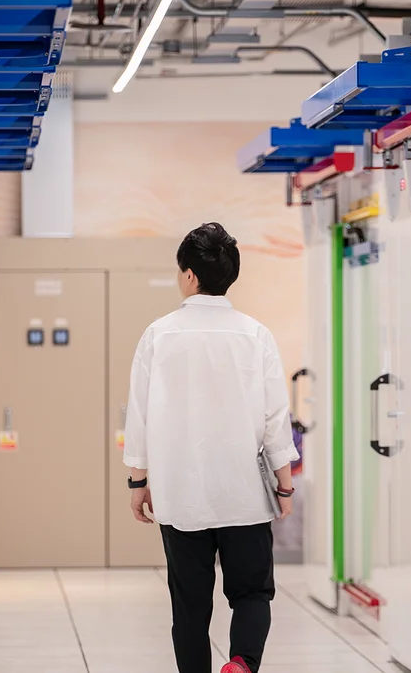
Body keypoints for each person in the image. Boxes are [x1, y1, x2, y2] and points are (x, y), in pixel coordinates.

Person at [122, 222, 299, 673]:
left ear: (188, 275)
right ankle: (241, 662)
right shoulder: (255, 335)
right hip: (244, 495)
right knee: (253, 593)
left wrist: (137, 481)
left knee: (189, 606)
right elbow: (276, 418)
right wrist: (284, 486)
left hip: (182, 498)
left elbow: (138, 416)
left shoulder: (158, 335)